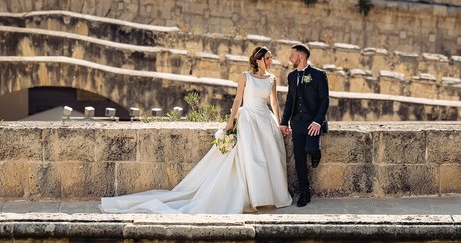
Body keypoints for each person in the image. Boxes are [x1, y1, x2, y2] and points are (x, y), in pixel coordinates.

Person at [100, 46, 290, 214]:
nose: (271, 61)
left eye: (271, 58)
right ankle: (253, 198)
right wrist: (230, 121)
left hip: (265, 121)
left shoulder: (271, 79)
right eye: (267, 58)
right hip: (248, 120)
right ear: (258, 60)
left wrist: (280, 124)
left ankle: (269, 197)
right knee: (251, 159)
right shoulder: (245, 77)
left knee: (270, 157)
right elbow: (237, 100)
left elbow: (273, 102)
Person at [280, 43, 330, 207]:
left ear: (301, 56)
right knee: (299, 159)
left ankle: (316, 151)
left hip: (313, 122)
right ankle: (305, 193)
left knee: (311, 149)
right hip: (297, 123)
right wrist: (284, 122)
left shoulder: (318, 75)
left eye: (292, 55)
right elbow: (289, 101)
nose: (289, 58)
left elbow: (324, 101)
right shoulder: (292, 76)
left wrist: (317, 121)